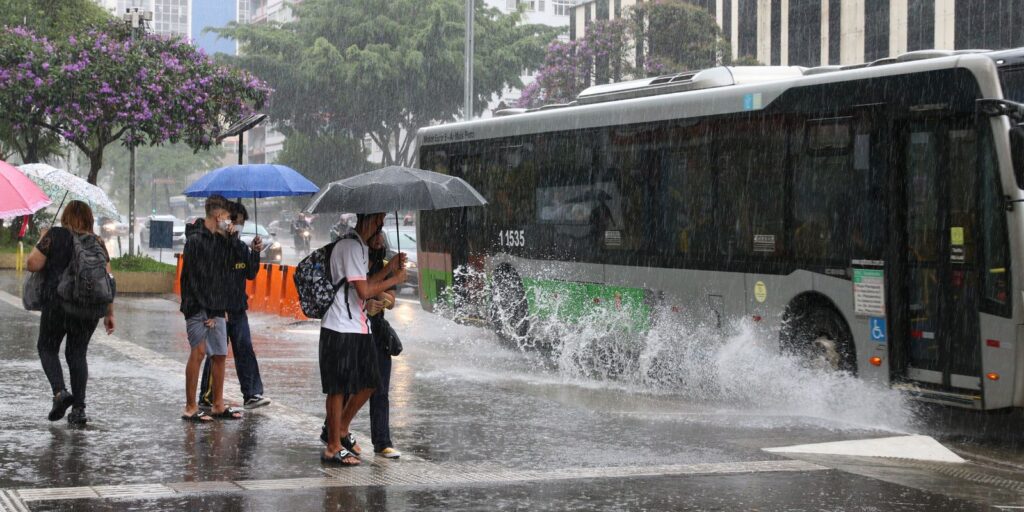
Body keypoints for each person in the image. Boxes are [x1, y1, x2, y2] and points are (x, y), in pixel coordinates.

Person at [320, 213, 407, 466]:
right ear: (370, 221)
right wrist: (395, 278)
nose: (381, 226)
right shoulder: (350, 245)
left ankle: (342, 430)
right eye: (379, 221)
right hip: (339, 326)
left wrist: (389, 269)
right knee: (338, 388)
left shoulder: (359, 246)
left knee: (370, 381)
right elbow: (363, 290)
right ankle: (333, 446)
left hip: (357, 326)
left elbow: (367, 283)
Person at [26, 201, 115, 426]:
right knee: (77, 355)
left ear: (65, 217)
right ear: (89, 219)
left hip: (57, 305)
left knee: (46, 348)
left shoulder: (55, 236)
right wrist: (109, 313)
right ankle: (79, 410)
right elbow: (108, 280)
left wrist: (42, 239)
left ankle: (60, 393)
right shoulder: (97, 242)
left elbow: (32, 264)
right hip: (87, 310)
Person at [198, 201, 271, 411]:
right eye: (234, 222)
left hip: (238, 307)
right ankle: (207, 395)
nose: (236, 227)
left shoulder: (239, 245)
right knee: (217, 354)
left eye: (241, 224)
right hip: (218, 309)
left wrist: (255, 252)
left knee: (245, 349)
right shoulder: (214, 244)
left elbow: (250, 273)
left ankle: (251, 394)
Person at [179, 195, 243, 422]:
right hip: (198, 306)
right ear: (218, 215)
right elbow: (193, 279)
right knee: (198, 352)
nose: (228, 220)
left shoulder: (221, 240)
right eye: (226, 217)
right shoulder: (195, 240)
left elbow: (229, 270)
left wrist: (233, 238)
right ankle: (190, 407)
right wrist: (204, 310)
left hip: (216, 306)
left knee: (220, 354)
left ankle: (218, 404)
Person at [366, 232, 402, 459]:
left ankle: (382, 441)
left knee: (381, 389)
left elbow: (392, 302)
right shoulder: (356, 260)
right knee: (351, 389)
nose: (379, 241)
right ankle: (333, 432)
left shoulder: (385, 264)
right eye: (374, 237)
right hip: (354, 329)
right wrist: (378, 288)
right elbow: (359, 288)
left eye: (381, 237)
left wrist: (381, 295)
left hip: (377, 331)